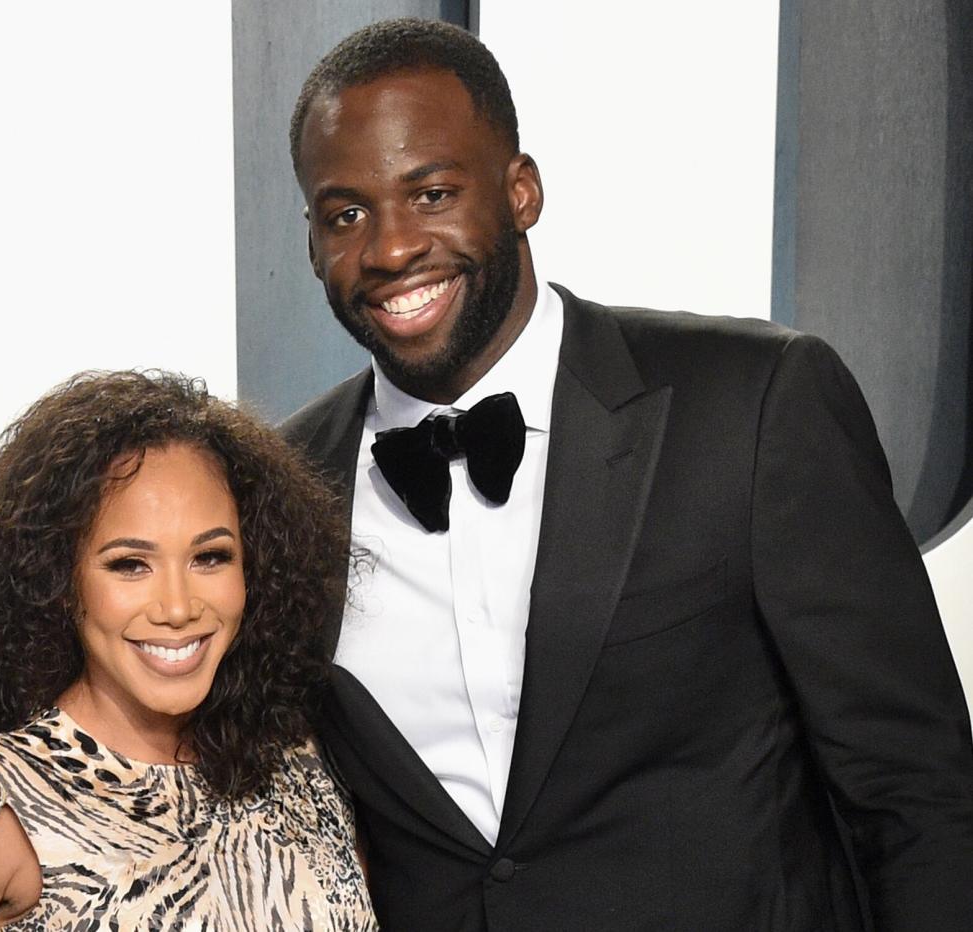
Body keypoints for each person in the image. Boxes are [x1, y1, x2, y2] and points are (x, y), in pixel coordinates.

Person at [282, 17, 973, 931]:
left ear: (521, 192)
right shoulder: (285, 486)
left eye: (434, 191)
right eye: (347, 213)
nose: (392, 247)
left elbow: (914, 792)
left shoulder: (755, 405)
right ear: (311, 241)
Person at [0, 371, 378, 931]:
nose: (177, 608)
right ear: (57, 580)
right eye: (130, 564)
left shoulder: (298, 767)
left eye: (211, 557)